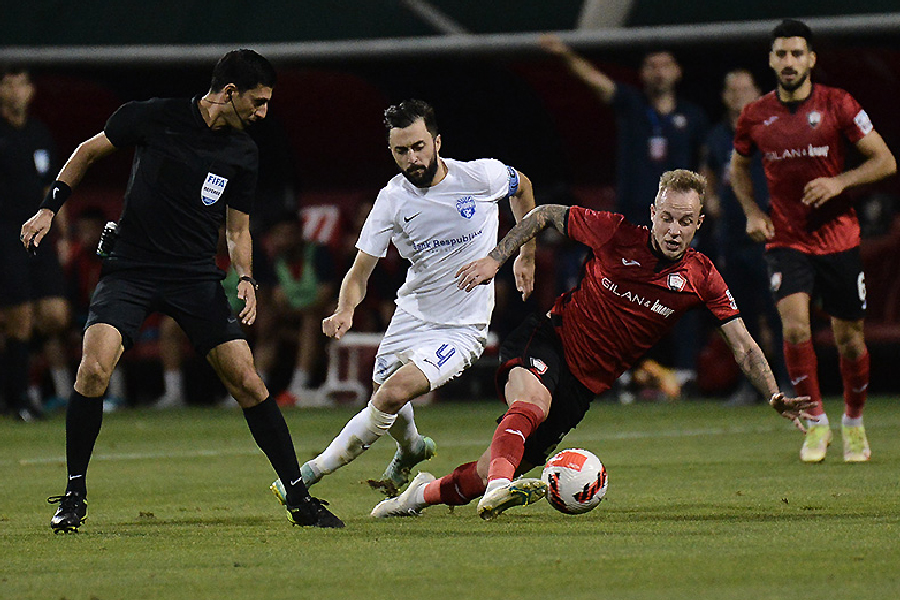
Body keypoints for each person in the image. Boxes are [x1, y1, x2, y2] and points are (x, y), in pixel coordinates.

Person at [370, 169, 817, 520]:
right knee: (530, 405)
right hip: (549, 339)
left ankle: (419, 496)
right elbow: (545, 213)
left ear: (699, 223)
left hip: (582, 388)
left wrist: (773, 394)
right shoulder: (615, 233)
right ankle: (500, 490)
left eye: (685, 221)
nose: (674, 229)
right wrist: (500, 257)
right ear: (653, 212)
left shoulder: (702, 278)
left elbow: (743, 345)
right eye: (666, 217)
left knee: (487, 469)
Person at [19, 49, 344, 531]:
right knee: (93, 369)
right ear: (229, 92)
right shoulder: (154, 116)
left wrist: (247, 277)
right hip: (130, 270)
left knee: (248, 381)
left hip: (193, 276)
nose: (263, 113)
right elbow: (87, 151)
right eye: (257, 102)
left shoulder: (243, 152)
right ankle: (73, 494)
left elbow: (237, 229)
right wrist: (49, 208)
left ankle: (300, 498)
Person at [271, 98, 536, 501]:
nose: (412, 158)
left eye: (418, 146)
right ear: (391, 151)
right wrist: (344, 309)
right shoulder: (392, 199)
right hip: (411, 315)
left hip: (461, 327)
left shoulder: (480, 176)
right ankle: (412, 448)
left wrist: (524, 255)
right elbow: (360, 271)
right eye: (401, 151)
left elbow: (524, 188)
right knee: (385, 393)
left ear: (437, 142)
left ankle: (307, 474)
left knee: (391, 395)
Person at [729, 19, 896, 462]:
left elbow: (885, 161)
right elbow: (738, 167)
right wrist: (752, 212)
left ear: (811, 59)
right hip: (787, 238)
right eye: (781, 54)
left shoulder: (839, 103)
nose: (789, 62)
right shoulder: (754, 115)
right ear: (771, 60)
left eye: (797, 54)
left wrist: (839, 182)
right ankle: (816, 424)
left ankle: (854, 422)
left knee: (850, 341)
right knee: (795, 327)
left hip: (838, 237)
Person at [540, 35, 709, 388]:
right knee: (619, 294)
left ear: (677, 71)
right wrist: (564, 54)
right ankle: (619, 373)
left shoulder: (693, 117)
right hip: (633, 220)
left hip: (677, 224)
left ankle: (686, 373)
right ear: (642, 73)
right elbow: (596, 82)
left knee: (685, 291)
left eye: (665, 65)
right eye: (651, 66)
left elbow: (706, 165)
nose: (658, 72)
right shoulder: (631, 105)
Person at [701, 68, 789, 405]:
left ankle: (788, 381)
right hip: (732, 238)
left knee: (779, 313)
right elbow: (707, 174)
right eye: (732, 90)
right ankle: (750, 386)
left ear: (757, 93)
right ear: (724, 96)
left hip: (770, 237)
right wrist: (709, 201)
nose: (738, 96)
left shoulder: (774, 131)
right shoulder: (716, 136)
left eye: (744, 89)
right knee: (739, 318)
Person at [0, 65, 73, 421]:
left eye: (21, 84)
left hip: (39, 234)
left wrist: (63, 234)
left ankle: (17, 385)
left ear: (31, 91)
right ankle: (19, 400)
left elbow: (52, 186)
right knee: (20, 318)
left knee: (55, 314)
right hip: (5, 234)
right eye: (8, 84)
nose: (16, 91)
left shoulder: (39, 133)